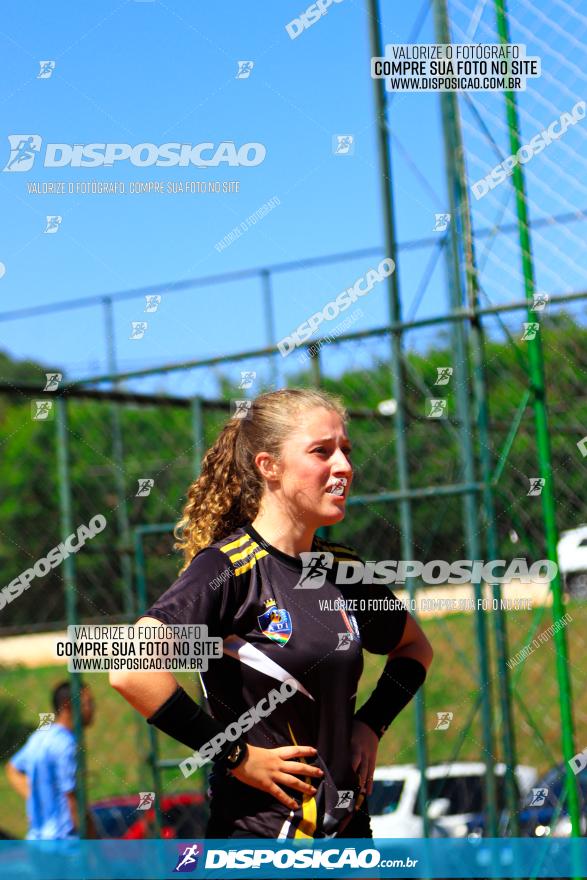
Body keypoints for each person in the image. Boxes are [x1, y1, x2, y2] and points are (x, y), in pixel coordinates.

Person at [110, 388, 433, 839]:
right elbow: (130, 668)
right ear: (269, 466)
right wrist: (235, 756)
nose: (343, 466)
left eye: (346, 450)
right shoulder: (228, 568)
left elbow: (415, 647)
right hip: (260, 841)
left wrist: (372, 723)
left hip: (347, 837)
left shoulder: (342, 569)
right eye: (322, 452)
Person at [6, 681, 96, 839]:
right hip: (64, 843)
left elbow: (12, 769)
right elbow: (73, 801)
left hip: (38, 839)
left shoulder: (39, 737)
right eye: (88, 703)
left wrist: (36, 797)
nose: (93, 709)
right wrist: (94, 844)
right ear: (68, 706)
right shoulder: (67, 745)